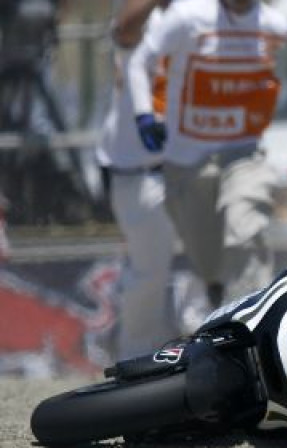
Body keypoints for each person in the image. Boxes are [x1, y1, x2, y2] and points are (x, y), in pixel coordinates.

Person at [126, 0, 287, 308]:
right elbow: (140, 62)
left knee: (245, 231)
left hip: (243, 154)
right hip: (187, 161)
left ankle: (254, 319)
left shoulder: (275, 27)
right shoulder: (187, 17)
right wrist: (144, 115)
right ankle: (218, 294)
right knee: (206, 261)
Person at [97, 0, 178, 359]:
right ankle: (134, 360)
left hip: (194, 167)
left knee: (208, 268)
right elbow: (124, 30)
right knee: (149, 274)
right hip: (142, 172)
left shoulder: (205, 14)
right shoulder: (148, 18)